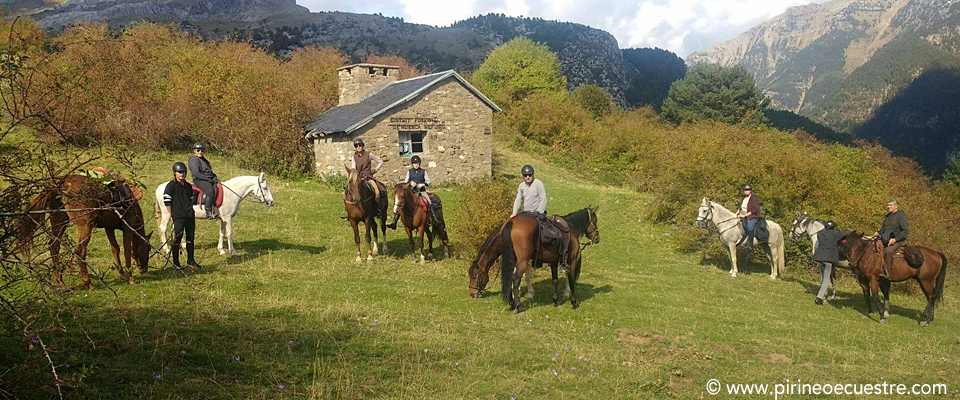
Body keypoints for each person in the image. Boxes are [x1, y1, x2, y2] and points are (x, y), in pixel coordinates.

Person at [163, 162, 200, 270]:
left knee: (190, 238)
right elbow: (167, 201)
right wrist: (172, 215)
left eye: (183, 172)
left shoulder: (188, 186)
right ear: (174, 173)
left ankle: (191, 261)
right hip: (178, 216)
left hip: (189, 216)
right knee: (177, 239)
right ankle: (176, 263)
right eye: (179, 172)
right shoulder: (171, 186)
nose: (182, 174)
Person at [387, 155, 433, 229]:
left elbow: (429, 181)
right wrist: (410, 183)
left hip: (421, 191)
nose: (416, 165)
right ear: (412, 164)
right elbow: (405, 182)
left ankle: (430, 219)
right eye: (414, 163)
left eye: (417, 163)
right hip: (411, 191)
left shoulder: (423, 171)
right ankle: (394, 222)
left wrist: (423, 184)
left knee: (429, 202)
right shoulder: (409, 171)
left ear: (419, 163)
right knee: (401, 203)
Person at [813, 221, 845, 305]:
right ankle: (819, 298)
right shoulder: (835, 234)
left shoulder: (820, 233)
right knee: (826, 280)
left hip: (819, 258)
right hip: (828, 260)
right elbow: (845, 234)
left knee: (823, 278)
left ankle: (823, 294)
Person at [875, 199, 908, 278]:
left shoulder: (901, 216)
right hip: (885, 239)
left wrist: (895, 239)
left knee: (888, 251)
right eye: (888, 205)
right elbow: (883, 229)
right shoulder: (888, 216)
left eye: (890, 205)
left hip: (898, 240)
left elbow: (905, 231)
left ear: (896, 206)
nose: (888, 207)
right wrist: (878, 233)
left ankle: (887, 273)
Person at [188, 142, 219, 219]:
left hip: (207, 179)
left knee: (216, 188)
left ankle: (216, 208)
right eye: (198, 150)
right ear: (194, 151)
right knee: (210, 191)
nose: (200, 152)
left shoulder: (203, 160)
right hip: (199, 179)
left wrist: (214, 177)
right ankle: (208, 211)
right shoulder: (193, 160)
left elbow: (209, 171)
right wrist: (207, 179)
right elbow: (196, 173)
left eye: (202, 150)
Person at [736, 184, 761, 249]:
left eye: (748, 190)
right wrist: (737, 213)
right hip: (743, 214)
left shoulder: (754, 198)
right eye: (745, 190)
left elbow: (755, 209)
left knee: (749, 227)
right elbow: (740, 207)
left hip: (753, 215)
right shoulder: (743, 198)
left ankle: (750, 245)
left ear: (750, 191)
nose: (746, 191)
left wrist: (745, 215)